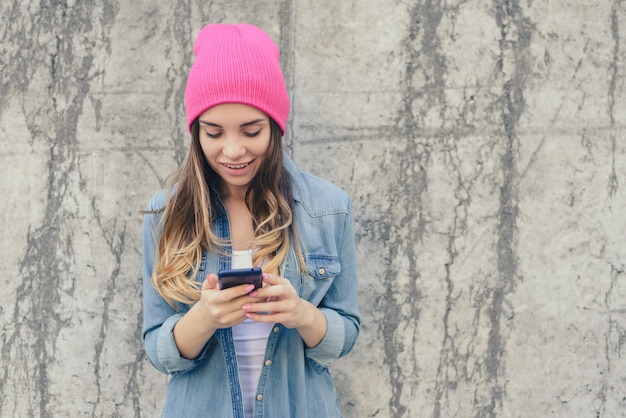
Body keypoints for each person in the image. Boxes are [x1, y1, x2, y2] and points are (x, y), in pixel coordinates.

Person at [142, 23, 360, 418]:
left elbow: (344, 337)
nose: (233, 149)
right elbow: (160, 352)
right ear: (196, 133)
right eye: (213, 132)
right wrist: (205, 317)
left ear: (275, 128)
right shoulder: (165, 214)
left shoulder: (330, 208)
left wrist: (302, 314)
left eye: (251, 130)